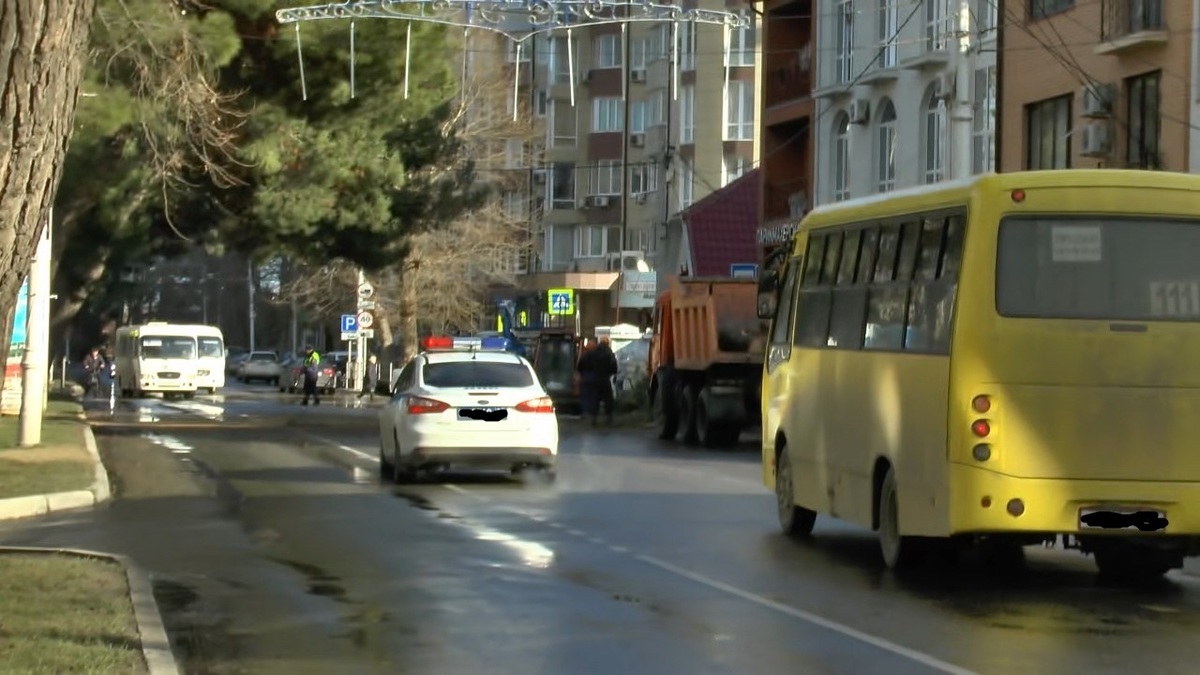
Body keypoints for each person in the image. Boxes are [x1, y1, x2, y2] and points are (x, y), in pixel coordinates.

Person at [576, 336, 618, 426]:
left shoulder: (592, 353)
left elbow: (581, 364)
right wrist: (610, 373)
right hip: (604, 379)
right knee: (608, 399)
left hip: (593, 378)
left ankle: (593, 419)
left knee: (594, 399)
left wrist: (585, 373)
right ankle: (608, 418)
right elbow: (614, 368)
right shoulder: (609, 353)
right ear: (608, 343)